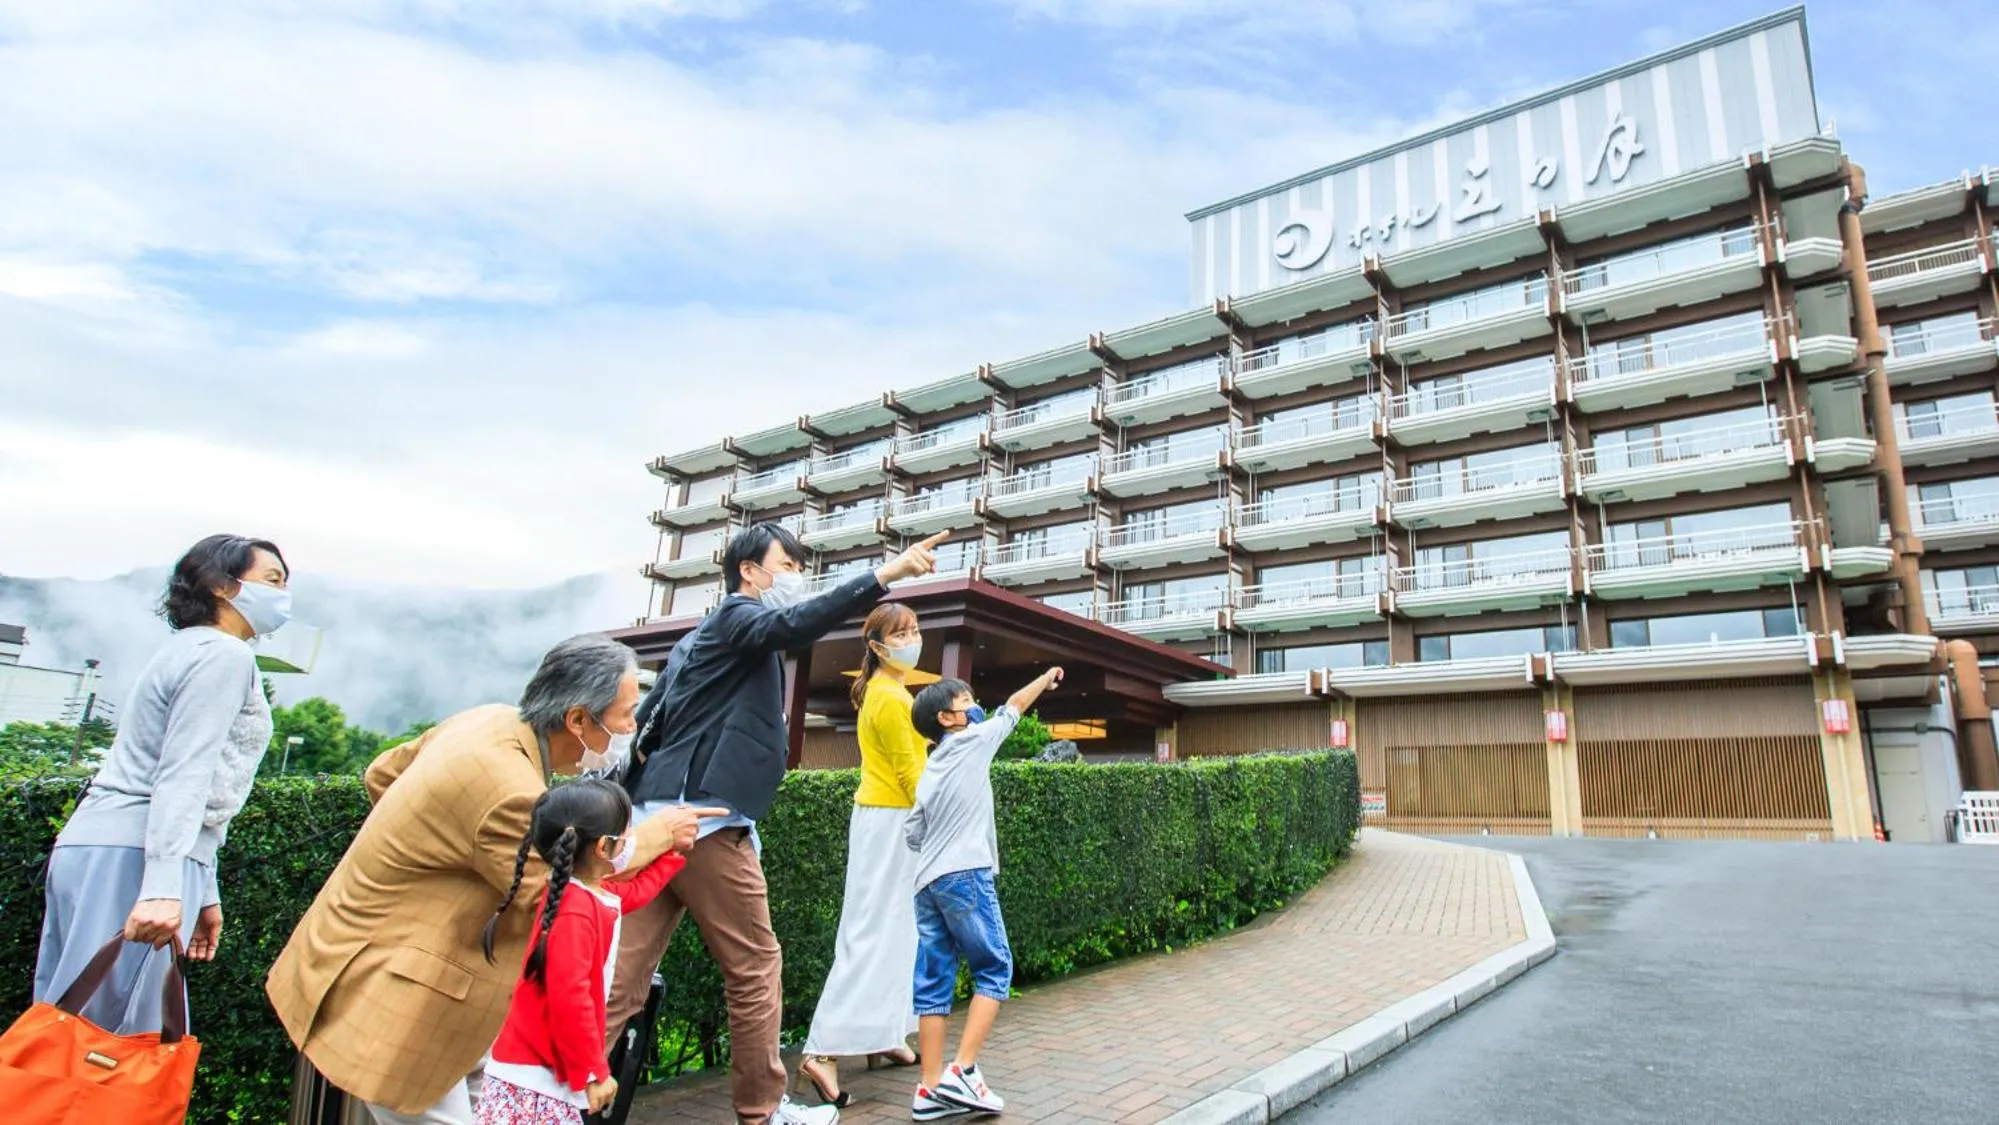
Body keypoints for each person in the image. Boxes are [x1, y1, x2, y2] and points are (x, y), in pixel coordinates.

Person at [266, 634, 719, 1125]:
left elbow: (382, 774)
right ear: (578, 719)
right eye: (627, 714)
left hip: (362, 950)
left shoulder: (488, 720)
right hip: (398, 990)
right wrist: (657, 837)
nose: (633, 726)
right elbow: (571, 880)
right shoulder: (510, 791)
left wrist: (434, 864)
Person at [611, 523, 948, 1125]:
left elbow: (653, 725)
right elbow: (792, 625)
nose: (795, 576)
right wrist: (886, 575)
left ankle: (550, 1093)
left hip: (659, 816)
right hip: (707, 823)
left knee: (624, 979)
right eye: (787, 565)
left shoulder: (699, 641)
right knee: (755, 966)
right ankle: (762, 1111)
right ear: (749, 572)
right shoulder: (738, 617)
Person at [35, 533, 290, 1034]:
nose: (283, 596)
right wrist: (162, 887)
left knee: (64, 1030)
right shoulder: (224, 657)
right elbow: (185, 773)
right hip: (133, 855)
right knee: (113, 1040)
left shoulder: (184, 649)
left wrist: (204, 881)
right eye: (272, 580)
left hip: (102, 846)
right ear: (222, 586)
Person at [903, 667, 1064, 1121]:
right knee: (996, 968)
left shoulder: (932, 765)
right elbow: (1014, 706)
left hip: (928, 882)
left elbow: (913, 831)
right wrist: (1045, 677)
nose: (974, 705)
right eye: (966, 700)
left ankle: (929, 1088)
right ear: (948, 718)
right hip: (965, 873)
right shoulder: (973, 743)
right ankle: (964, 1070)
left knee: (934, 981)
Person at [478, 779, 687, 1125]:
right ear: (604, 847)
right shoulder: (574, 911)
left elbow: (633, 894)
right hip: (535, 1081)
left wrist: (673, 857)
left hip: (539, 1074)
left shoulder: (586, 894)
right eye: (627, 831)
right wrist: (593, 1071)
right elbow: (570, 999)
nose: (632, 837)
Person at [797, 603, 928, 1106]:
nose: (912, 639)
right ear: (876, 646)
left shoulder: (890, 691)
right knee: (873, 932)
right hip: (891, 820)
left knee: (898, 931)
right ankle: (823, 1050)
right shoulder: (891, 698)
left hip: (887, 819)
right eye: (901, 633)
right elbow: (909, 774)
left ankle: (883, 1033)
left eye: (914, 629)